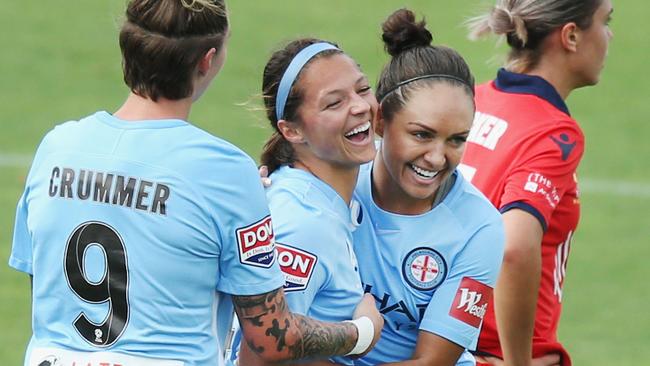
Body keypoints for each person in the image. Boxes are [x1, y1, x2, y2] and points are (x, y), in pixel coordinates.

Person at [8, 1, 382, 365]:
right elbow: (272, 338)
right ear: (208, 59)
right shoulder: (222, 171)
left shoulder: (57, 146)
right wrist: (361, 331)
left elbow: (45, 284)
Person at [459, 1, 614, 365]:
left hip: (445, 343)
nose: (609, 36)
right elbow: (514, 246)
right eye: (606, 22)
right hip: (494, 352)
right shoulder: (552, 132)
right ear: (571, 36)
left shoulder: (473, 100)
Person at [351, 8, 505, 365]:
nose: (437, 158)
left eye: (456, 140)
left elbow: (431, 363)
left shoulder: (479, 227)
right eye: (421, 134)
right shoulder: (330, 182)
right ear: (380, 121)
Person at [229, 37, 383, 366]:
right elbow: (261, 352)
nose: (360, 106)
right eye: (334, 103)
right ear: (292, 131)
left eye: (362, 88)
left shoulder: (311, 195)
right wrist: (363, 334)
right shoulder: (304, 222)